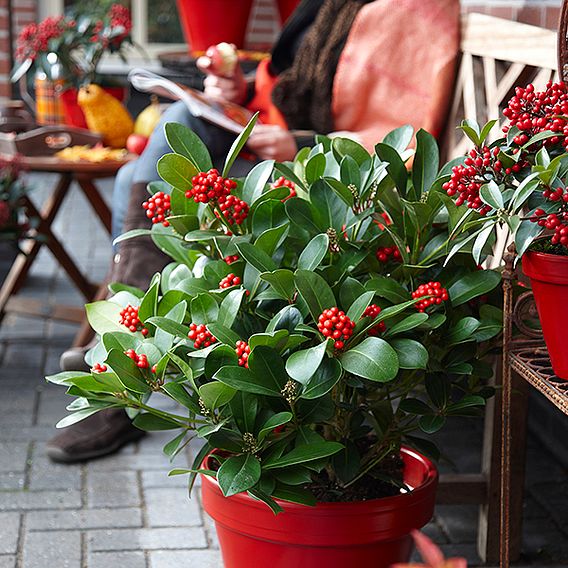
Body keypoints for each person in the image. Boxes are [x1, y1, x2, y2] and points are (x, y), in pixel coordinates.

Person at [47, 0, 460, 462]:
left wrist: (301, 143)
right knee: (147, 164)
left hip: (329, 179)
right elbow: (290, 82)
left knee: (155, 155)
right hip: (269, 142)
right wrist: (237, 87)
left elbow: (400, 132)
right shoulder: (333, 5)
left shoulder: (417, 10)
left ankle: (118, 362)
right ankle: (122, 354)